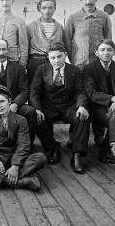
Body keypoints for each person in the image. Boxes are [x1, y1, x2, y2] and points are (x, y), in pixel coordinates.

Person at [29, 43, 90, 174]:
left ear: (65, 56)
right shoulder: (42, 69)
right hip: (49, 106)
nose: (56, 61)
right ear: (48, 58)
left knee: (83, 117)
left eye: (59, 57)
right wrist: (37, 109)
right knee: (36, 118)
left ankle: (77, 154)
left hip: (68, 105)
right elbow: (34, 92)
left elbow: (80, 92)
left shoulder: (74, 70)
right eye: (53, 58)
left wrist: (81, 106)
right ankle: (52, 147)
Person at [0, 85, 47, 191]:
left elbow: (23, 144)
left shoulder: (21, 120)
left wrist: (15, 166)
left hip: (15, 158)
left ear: (9, 101)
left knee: (40, 158)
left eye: (2, 101)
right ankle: (22, 182)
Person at [0, 39, 37, 146]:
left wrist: (15, 104)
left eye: (4, 49)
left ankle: (27, 145)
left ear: (8, 50)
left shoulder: (18, 68)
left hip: (13, 104)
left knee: (30, 112)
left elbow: (24, 90)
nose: (1, 53)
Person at [83, 39, 115, 165]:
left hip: (114, 107)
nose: (106, 52)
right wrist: (112, 99)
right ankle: (111, 150)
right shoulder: (89, 69)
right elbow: (91, 93)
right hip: (96, 107)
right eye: (102, 50)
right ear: (96, 52)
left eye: (109, 50)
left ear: (114, 52)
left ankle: (111, 149)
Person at [64, 0, 112, 69]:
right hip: (79, 63)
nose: (88, 2)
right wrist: (73, 59)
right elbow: (67, 40)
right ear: (81, 0)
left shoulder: (104, 17)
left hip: (98, 63)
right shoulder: (73, 18)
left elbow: (108, 40)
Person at [26, 0, 65, 83]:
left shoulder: (59, 27)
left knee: (52, 86)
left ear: (54, 9)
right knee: (35, 86)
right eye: (44, 8)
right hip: (36, 61)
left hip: (54, 62)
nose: (47, 11)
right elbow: (26, 46)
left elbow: (62, 46)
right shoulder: (31, 26)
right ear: (39, 9)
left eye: (50, 8)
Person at [0, 0, 29, 69]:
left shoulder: (19, 21)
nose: (5, 3)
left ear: (12, 1)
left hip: (12, 60)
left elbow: (23, 45)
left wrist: (22, 64)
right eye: (2, 0)